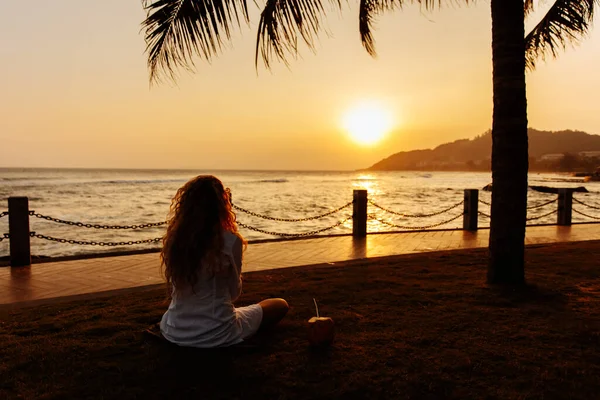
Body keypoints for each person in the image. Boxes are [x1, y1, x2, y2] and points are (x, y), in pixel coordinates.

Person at [159, 175, 289, 347]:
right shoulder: (230, 240)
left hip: (174, 329)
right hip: (216, 332)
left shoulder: (176, 241)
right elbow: (234, 293)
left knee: (242, 311)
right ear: (221, 205)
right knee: (279, 305)